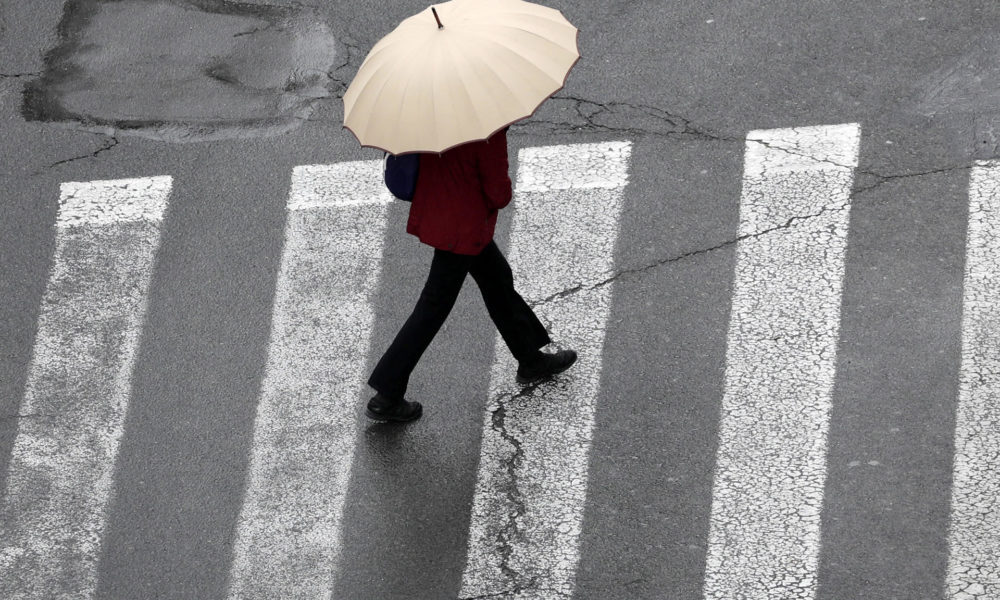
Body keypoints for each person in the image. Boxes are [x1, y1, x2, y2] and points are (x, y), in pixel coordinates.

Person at [366, 126, 577, 422]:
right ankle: (387, 393)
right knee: (433, 307)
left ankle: (530, 358)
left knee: (497, 279)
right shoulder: (487, 128)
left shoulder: (431, 110)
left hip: (441, 212)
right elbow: (498, 193)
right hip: (464, 226)